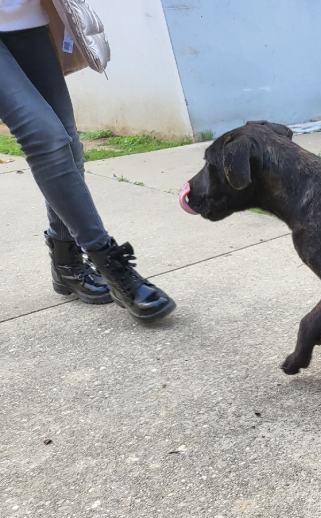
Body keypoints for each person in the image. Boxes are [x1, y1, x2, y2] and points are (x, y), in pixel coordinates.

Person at [0, 0, 175, 320]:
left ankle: (66, 263)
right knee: (45, 137)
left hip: (27, 20)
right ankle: (110, 263)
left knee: (69, 144)